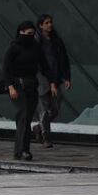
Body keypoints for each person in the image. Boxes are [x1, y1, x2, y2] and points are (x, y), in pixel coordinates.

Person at [4, 20, 54, 161]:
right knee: (24, 116)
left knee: (25, 119)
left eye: (33, 33)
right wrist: (10, 87)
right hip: (17, 86)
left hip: (32, 85)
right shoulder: (14, 48)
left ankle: (19, 150)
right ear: (21, 33)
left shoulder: (36, 48)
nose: (30, 36)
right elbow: (6, 69)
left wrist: (52, 82)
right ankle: (23, 150)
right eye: (28, 33)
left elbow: (44, 66)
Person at [33, 14, 71, 148]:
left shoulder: (56, 40)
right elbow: (39, 63)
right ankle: (46, 137)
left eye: (51, 22)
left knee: (55, 108)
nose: (50, 25)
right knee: (43, 107)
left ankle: (39, 126)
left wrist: (67, 77)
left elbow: (64, 58)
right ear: (41, 25)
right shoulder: (37, 41)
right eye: (47, 23)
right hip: (42, 78)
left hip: (55, 76)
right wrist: (50, 82)